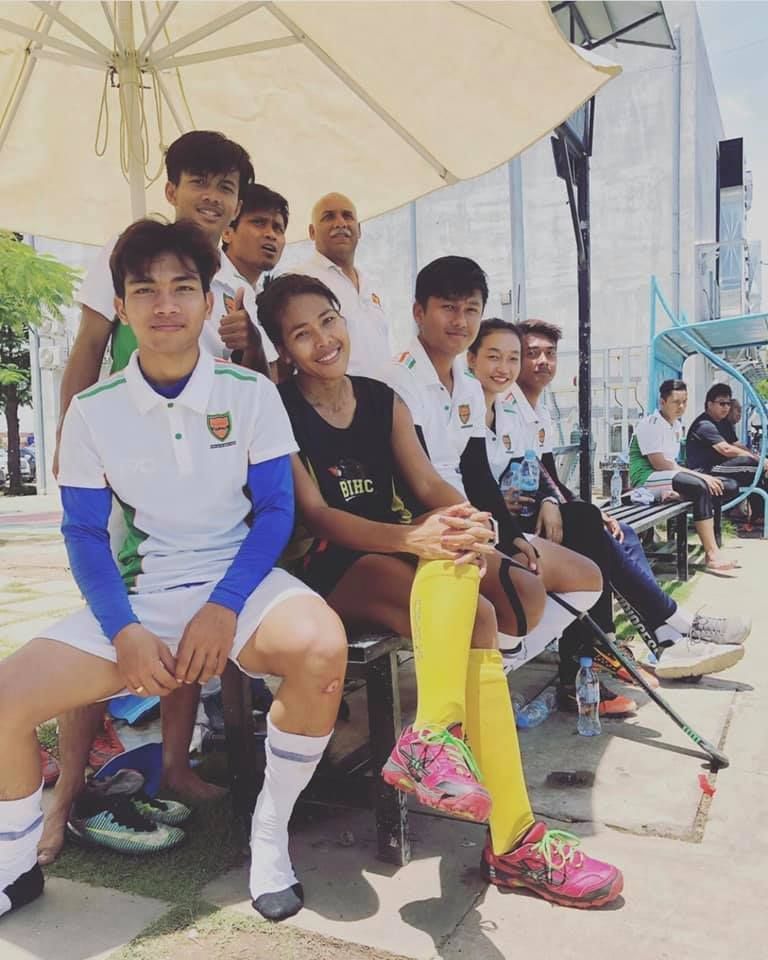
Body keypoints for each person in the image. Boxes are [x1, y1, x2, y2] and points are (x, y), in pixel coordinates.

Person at [0, 220, 348, 923]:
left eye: (182, 287)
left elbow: (277, 513)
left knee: (322, 649)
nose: (165, 303)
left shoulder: (248, 393)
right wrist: (124, 629)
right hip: (148, 592)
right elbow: (83, 533)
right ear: (122, 308)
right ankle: (13, 871)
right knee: (7, 700)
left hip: (242, 583)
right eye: (145, 289)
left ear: (207, 297)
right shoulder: (92, 413)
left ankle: (269, 837)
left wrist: (224, 605)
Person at [256, 272, 623, 909]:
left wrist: (467, 520)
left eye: (328, 320)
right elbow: (315, 514)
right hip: (330, 564)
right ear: (284, 348)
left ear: (345, 319)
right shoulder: (277, 407)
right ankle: (501, 828)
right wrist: (414, 540)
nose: (322, 340)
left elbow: (427, 484)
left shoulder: (380, 398)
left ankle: (447, 757)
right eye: (301, 333)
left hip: (398, 545)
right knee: (458, 585)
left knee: (476, 603)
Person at [40, 131, 270, 867]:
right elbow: (86, 350)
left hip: (197, 485)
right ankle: (64, 795)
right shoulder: (127, 256)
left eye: (227, 186)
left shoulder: (231, 285)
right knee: (112, 624)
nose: (214, 195)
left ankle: (173, 764)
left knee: (186, 608)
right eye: (200, 180)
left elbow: (248, 386)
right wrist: (73, 443)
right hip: (125, 476)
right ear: (171, 187)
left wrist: (250, 338)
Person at [468, 318, 747, 687]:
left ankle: (657, 635)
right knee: (586, 523)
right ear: (473, 360)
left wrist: (555, 499)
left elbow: (543, 473)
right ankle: (644, 635)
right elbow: (479, 477)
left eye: (548, 354)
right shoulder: (486, 405)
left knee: (621, 531)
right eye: (530, 354)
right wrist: (552, 501)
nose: (540, 362)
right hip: (507, 524)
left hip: (527, 515)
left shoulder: (533, 412)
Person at [379, 256, 610, 668]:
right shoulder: (397, 379)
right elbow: (417, 481)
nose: (460, 320)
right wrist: (484, 532)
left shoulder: (467, 385)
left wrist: (507, 532)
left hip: (469, 517)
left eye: (471, 309)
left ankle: (498, 667)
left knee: (586, 579)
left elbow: (476, 470)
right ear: (419, 312)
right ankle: (484, 674)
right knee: (527, 595)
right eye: (447, 307)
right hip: (426, 524)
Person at [629, 380, 740, 573]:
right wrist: (702, 478)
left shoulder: (676, 426)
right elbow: (660, 464)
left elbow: (673, 465)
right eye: (676, 402)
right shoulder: (651, 424)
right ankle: (712, 554)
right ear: (662, 402)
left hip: (666, 477)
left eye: (684, 402)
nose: (681, 407)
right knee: (701, 486)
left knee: (729, 485)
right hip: (646, 480)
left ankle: (680, 496)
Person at [293, 192, 389, 376]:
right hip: (337, 401)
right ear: (312, 232)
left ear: (359, 229)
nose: (340, 223)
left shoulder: (370, 283)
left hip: (383, 397)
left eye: (347, 216)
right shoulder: (300, 280)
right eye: (328, 217)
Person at [686, 383, 768, 510]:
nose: (726, 407)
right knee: (754, 467)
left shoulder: (724, 422)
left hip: (720, 466)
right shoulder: (704, 424)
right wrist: (759, 461)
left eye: (728, 404)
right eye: (722, 404)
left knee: (756, 467)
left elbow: (738, 445)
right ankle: (757, 513)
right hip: (705, 470)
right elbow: (726, 449)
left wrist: (760, 458)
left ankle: (757, 513)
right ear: (709, 404)